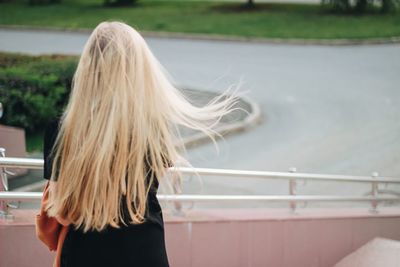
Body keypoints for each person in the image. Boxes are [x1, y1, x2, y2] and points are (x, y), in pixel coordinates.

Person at [41, 21, 241, 267]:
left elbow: (60, 212)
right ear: (138, 69)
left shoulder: (61, 130)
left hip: (85, 254)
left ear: (88, 69)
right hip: (144, 252)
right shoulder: (151, 129)